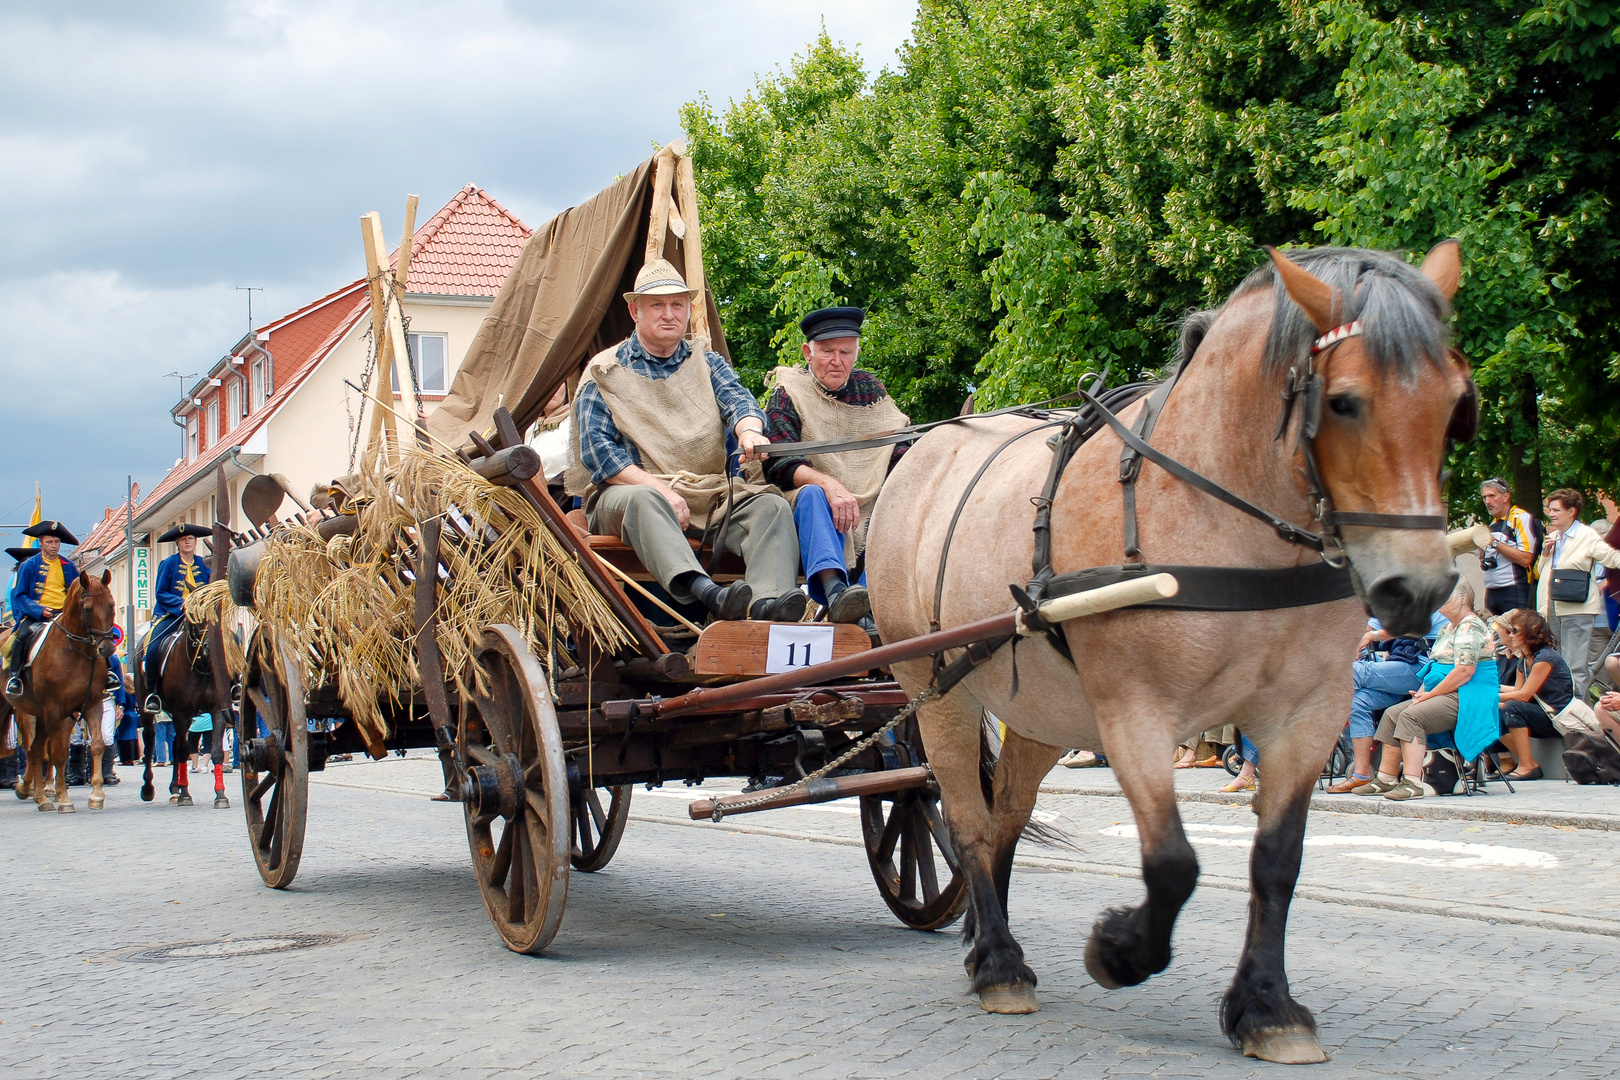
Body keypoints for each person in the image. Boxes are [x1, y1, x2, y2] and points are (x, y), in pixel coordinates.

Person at [567, 259, 803, 623]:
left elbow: (739, 400)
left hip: (704, 494)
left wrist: (749, 430)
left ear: (689, 309)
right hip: (626, 498)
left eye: (677, 304)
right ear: (635, 310)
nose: (669, 314)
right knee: (645, 498)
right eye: (657, 305)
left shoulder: (705, 361)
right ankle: (706, 593)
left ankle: (765, 609)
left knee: (770, 508)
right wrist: (660, 490)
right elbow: (600, 457)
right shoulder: (605, 370)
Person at [762, 307, 909, 625]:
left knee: (900, 501)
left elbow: (898, 449)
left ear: (856, 353)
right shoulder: (789, 391)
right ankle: (836, 593)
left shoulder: (870, 391)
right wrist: (830, 485)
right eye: (827, 351)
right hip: (800, 506)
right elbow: (779, 460)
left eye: (846, 352)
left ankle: (870, 604)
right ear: (808, 352)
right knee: (814, 494)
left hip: (865, 503)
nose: (837, 360)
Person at [1354, 581, 1498, 801]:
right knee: (1393, 713)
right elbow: (1433, 667)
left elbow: (1464, 672)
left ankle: (1412, 782)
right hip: (1446, 691)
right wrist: (1421, 693)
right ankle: (1386, 778)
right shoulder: (1447, 628)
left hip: (1468, 695)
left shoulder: (1470, 626)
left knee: (1412, 716)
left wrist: (1430, 695)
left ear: (1464, 599)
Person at [1326, 609, 1448, 793]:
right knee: (1358, 701)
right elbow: (1369, 626)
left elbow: (1406, 627)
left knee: (1354, 671)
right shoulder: (1393, 601)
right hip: (1398, 671)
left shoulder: (1426, 602)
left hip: (1422, 669)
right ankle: (1361, 774)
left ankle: (1321, 713)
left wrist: (1371, 636)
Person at [1536, 488, 1620, 700]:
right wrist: (1545, 553)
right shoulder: (1553, 536)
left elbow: (1610, 558)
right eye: (1549, 509)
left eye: (1556, 510)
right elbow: (1539, 572)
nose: (1551, 514)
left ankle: (1581, 723)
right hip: (1551, 607)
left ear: (1572, 511)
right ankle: (1566, 714)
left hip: (1577, 607)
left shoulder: (1586, 535)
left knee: (1575, 668)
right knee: (1558, 665)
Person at [5, 520, 82, 696]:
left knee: (92, 635)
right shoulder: (28, 565)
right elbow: (20, 595)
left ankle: (107, 674)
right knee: (22, 636)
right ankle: (15, 677)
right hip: (38, 614)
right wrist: (38, 610)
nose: (54, 546)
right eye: (49, 542)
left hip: (64, 614)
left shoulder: (69, 566)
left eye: (56, 542)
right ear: (41, 543)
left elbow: (78, 591)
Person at [1495, 609, 1573, 780]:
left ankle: (1527, 765)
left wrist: (1491, 698)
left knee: (1512, 707)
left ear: (1529, 634)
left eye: (1515, 631)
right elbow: (1517, 691)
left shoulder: (1544, 658)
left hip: (1556, 718)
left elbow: (1523, 695)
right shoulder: (1524, 659)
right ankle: (1530, 763)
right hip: (1539, 713)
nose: (1511, 635)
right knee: (1490, 711)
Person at [143, 524, 213, 712]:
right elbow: (161, 593)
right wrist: (181, 605)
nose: (187, 542)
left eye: (190, 539)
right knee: (153, 648)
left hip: (200, 617)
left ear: (195, 542)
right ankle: (153, 693)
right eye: (183, 539)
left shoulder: (204, 564)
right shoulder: (168, 564)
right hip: (172, 615)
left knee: (231, 641)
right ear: (178, 543)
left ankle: (232, 686)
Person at [1479, 479, 1542, 615]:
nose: (1487, 501)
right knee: (1495, 634)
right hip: (1492, 590)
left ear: (1505, 496)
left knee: (1515, 633)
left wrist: (1494, 543)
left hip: (1513, 590)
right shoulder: (1493, 523)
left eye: (1492, 496)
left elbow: (1526, 559)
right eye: (1484, 497)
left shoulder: (1520, 517)